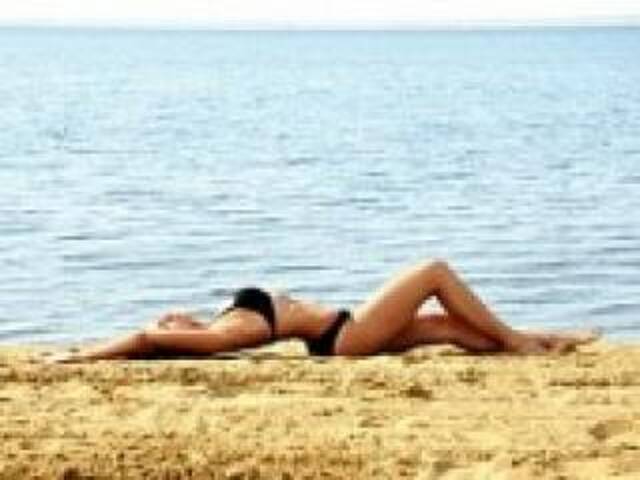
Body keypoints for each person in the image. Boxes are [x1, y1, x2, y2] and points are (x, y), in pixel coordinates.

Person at [48, 259, 599, 362]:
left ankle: (546, 339)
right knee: (434, 271)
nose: (169, 315)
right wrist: (82, 357)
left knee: (447, 328)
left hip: (339, 333)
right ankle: (520, 342)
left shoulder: (224, 322)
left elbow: (154, 333)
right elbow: (144, 341)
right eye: (166, 320)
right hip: (344, 338)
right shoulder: (224, 335)